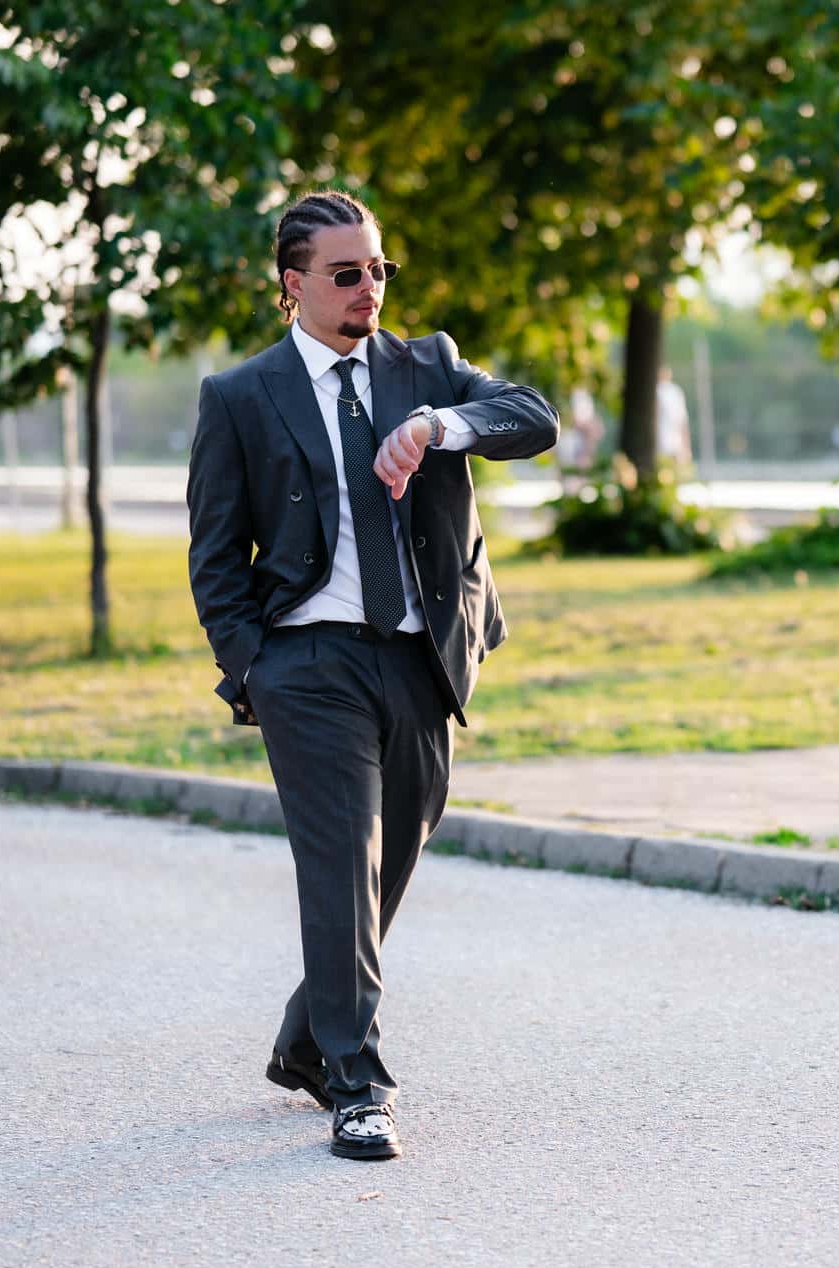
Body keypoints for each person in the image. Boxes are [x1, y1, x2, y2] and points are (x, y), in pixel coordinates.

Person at [186, 190, 557, 1160]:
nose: (369, 289)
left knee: (393, 857)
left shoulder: (426, 368)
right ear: (293, 284)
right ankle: (357, 1084)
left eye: (379, 269)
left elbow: (534, 418)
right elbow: (215, 554)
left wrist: (437, 427)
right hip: (307, 660)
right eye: (346, 274)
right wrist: (253, 666)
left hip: (417, 653)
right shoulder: (241, 395)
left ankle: (308, 1039)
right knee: (342, 860)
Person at [655, 364, 693, 473]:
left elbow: (682, 421)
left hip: (673, 441)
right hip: (662, 441)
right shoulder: (659, 391)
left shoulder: (675, 391)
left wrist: (686, 446)